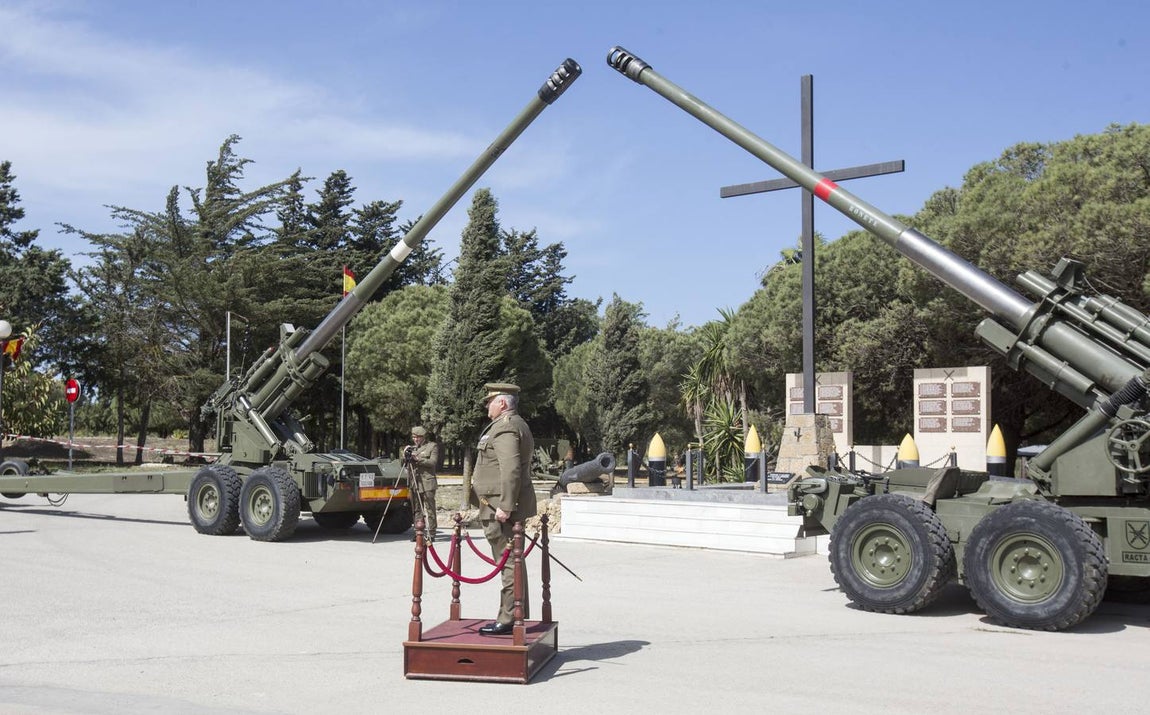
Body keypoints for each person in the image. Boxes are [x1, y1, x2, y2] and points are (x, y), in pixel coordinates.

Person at [471, 382, 536, 636]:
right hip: (497, 502)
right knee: (513, 561)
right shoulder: (512, 424)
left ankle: (508, 618)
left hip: (499, 506)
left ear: (502, 403)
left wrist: (506, 507)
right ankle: (515, 612)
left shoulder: (506, 427)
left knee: (507, 562)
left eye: (490, 401)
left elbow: (511, 469)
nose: (487, 405)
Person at [405, 425, 438, 541]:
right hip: (415, 483)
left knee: (429, 509)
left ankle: (432, 533)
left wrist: (419, 459)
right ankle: (419, 532)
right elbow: (405, 466)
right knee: (417, 509)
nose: (415, 439)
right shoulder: (412, 449)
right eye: (414, 437)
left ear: (423, 437)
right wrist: (406, 455)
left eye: (418, 437)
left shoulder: (431, 446)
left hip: (427, 483)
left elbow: (432, 462)